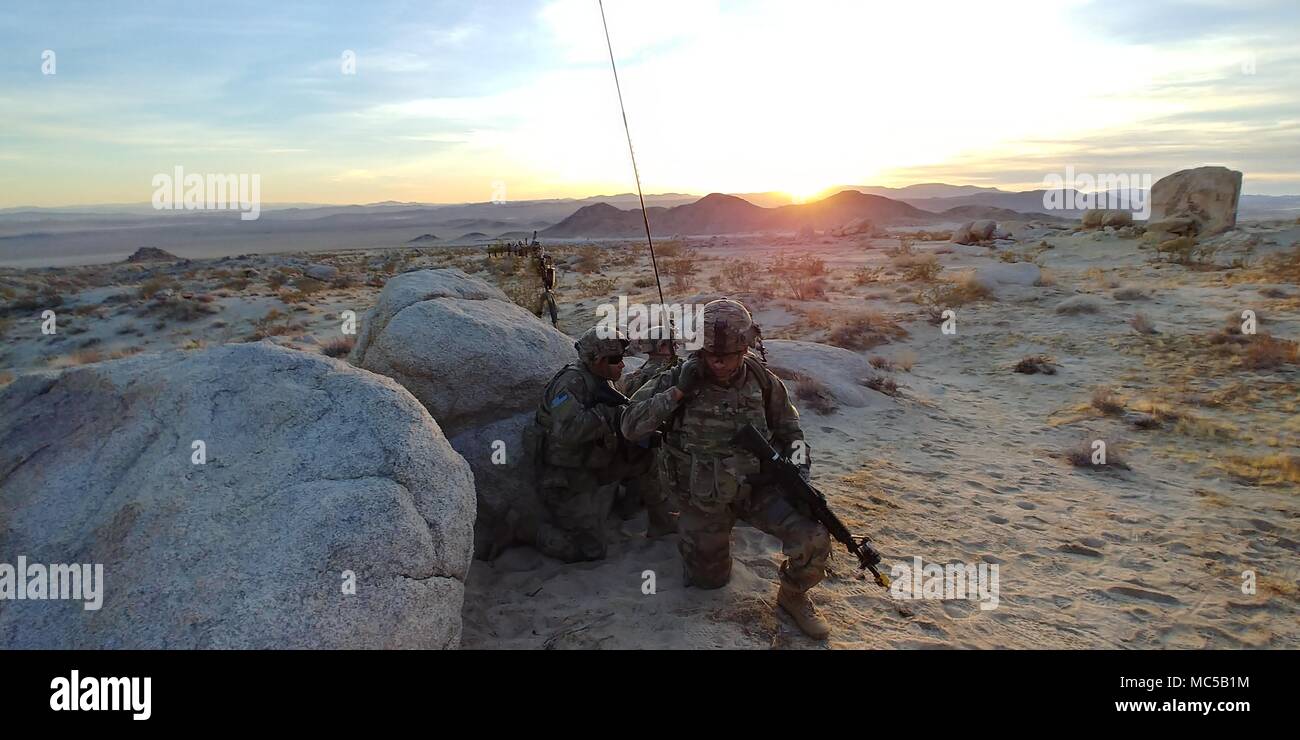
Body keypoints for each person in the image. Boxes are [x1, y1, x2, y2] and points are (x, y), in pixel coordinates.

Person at [619, 299, 833, 639]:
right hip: (701, 498)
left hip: (756, 490)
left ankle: (793, 596)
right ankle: (696, 540)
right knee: (709, 582)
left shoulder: (763, 382)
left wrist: (799, 477)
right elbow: (630, 425)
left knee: (814, 535)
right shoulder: (678, 378)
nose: (718, 362)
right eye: (710, 353)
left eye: (729, 355)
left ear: (745, 347)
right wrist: (676, 393)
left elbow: (791, 434)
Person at [517, 326, 652, 561]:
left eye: (622, 358)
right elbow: (568, 430)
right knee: (591, 550)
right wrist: (607, 413)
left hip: (592, 461)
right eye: (615, 359)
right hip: (565, 477)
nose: (622, 364)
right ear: (596, 360)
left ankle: (630, 506)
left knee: (648, 450)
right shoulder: (571, 383)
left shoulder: (601, 378)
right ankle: (528, 529)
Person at [613, 326, 681, 535]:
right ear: (662, 346)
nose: (676, 346)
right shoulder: (670, 375)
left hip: (630, 447)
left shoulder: (633, 375)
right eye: (673, 342)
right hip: (657, 447)